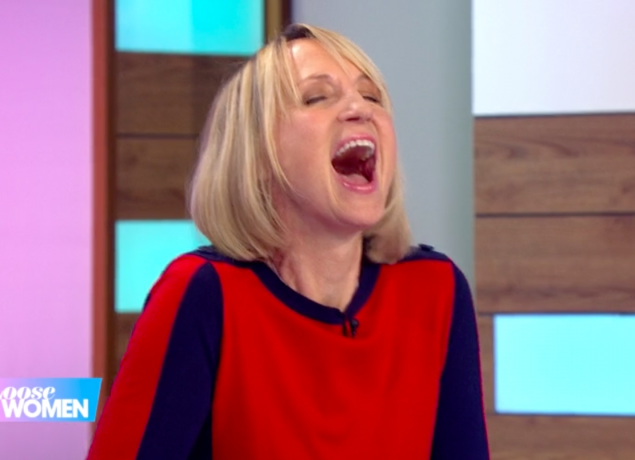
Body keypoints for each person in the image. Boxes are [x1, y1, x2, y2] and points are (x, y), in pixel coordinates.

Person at [87, 24, 489, 459]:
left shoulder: (435, 288)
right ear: (258, 155)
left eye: (371, 96)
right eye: (317, 97)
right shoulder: (204, 293)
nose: (360, 109)